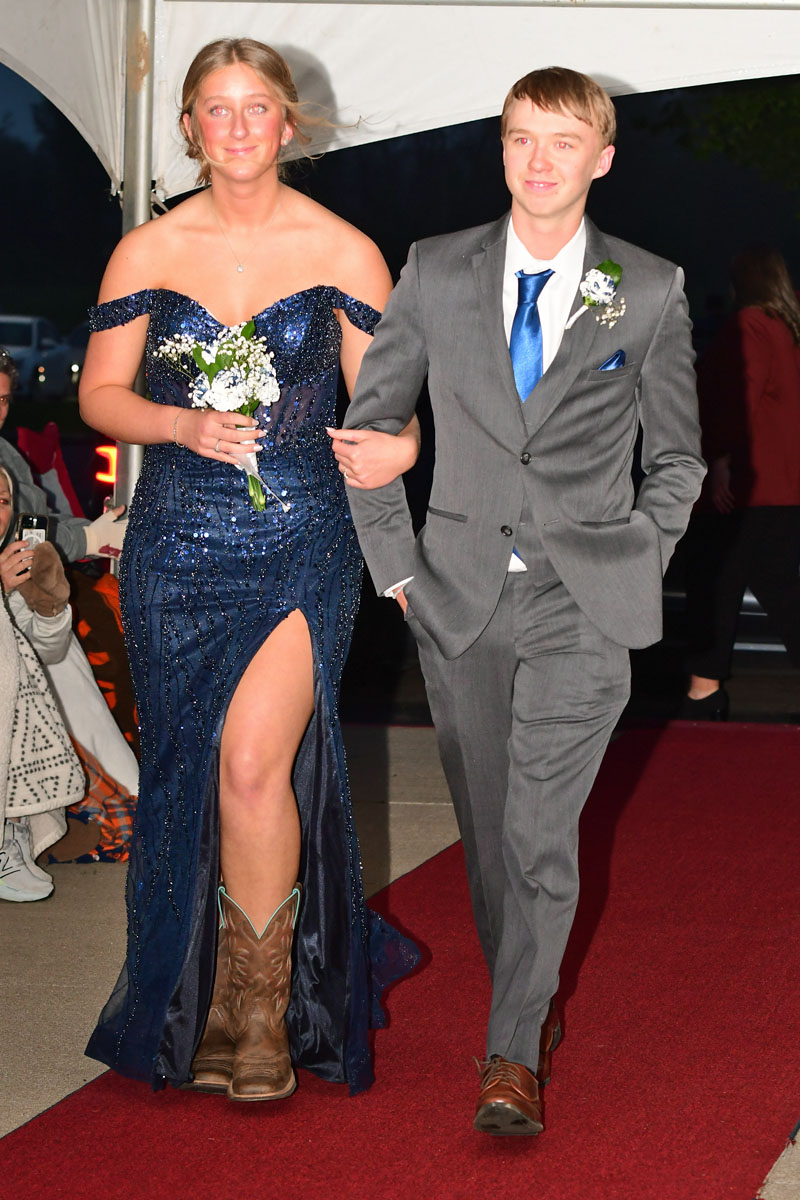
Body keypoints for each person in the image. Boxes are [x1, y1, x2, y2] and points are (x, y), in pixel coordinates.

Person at [341, 66, 705, 1135]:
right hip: (452, 596)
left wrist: (636, 553)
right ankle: (527, 996)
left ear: (600, 157)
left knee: (541, 833)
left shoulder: (648, 288)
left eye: (562, 141)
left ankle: (508, 1060)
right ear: (498, 150)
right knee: (490, 827)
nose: (537, 161)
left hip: (583, 601)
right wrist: (396, 570)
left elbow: (676, 459)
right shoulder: (434, 271)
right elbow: (367, 433)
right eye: (518, 139)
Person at [78, 37, 419, 1101]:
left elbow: (382, 407)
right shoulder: (147, 252)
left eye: (254, 108)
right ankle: (209, 995)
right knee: (187, 773)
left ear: (288, 125)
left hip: (299, 539)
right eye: (214, 110)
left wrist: (397, 446)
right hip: (175, 543)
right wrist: (178, 422)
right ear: (187, 128)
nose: (235, 128)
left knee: (252, 770)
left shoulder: (347, 252)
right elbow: (100, 398)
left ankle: (262, 1012)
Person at [682, 246, 800, 718]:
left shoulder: (750, 326)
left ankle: (704, 693)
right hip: (782, 487)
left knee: (714, 586)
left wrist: (719, 460)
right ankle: (704, 692)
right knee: (779, 591)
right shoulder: (787, 331)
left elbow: (735, 397)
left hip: (745, 488)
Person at [0, 466, 84, 901]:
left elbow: (46, 655)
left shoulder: (15, 560)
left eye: (2, 502)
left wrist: (50, 606)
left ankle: (11, 830)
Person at [0, 348, 126, 564]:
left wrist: (94, 530)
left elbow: (40, 521)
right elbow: (20, 541)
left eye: (3, 400)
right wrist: (89, 539)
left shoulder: (7, 453)